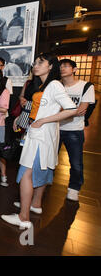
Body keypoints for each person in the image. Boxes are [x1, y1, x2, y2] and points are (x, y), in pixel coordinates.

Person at [1, 53, 77, 229]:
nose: (36, 65)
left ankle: (23, 218)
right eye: (35, 62)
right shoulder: (45, 85)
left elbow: (71, 109)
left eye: (40, 62)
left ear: (51, 66)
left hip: (41, 134)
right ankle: (34, 205)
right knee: (40, 169)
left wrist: (43, 120)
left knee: (27, 173)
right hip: (38, 132)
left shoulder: (54, 85)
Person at [59, 59, 96, 201]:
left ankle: (74, 188)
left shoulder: (86, 86)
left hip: (74, 129)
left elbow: (82, 110)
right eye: (61, 66)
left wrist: (61, 111)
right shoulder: (57, 86)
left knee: (76, 162)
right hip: (55, 127)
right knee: (48, 159)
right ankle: (44, 183)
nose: (63, 68)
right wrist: (70, 111)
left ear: (74, 69)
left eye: (66, 66)